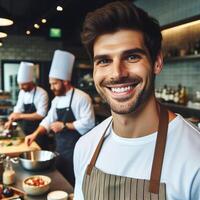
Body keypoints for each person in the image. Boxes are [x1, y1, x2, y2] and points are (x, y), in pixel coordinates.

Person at [73, 1, 200, 200]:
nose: (117, 74)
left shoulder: (195, 158)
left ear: (157, 62)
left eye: (132, 57)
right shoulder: (84, 146)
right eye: (104, 61)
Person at [25, 50, 95, 186]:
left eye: (54, 83)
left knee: (76, 182)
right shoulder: (56, 100)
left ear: (65, 82)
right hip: (60, 148)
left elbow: (89, 123)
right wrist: (35, 134)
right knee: (62, 181)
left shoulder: (82, 97)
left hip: (78, 149)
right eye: (51, 84)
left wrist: (64, 125)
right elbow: (48, 120)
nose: (51, 87)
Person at [5, 61, 49, 149]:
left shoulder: (42, 93)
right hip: (25, 130)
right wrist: (11, 119)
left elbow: (41, 114)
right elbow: (18, 108)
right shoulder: (22, 92)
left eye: (23, 85)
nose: (21, 87)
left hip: (38, 132)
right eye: (19, 85)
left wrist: (20, 116)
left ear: (31, 82)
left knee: (36, 153)